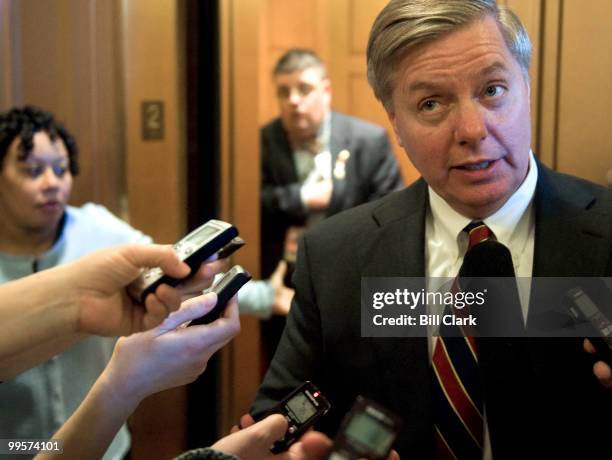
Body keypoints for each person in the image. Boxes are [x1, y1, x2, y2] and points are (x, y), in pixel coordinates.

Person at [251, 1, 612, 459]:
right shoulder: (335, 257)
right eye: (430, 103)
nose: (472, 129)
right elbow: (276, 423)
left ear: (527, 85)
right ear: (395, 123)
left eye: (493, 90)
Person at [0, 106, 210, 460]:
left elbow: (173, 271)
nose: (51, 182)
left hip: (108, 446)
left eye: (61, 169)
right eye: (33, 170)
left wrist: (264, 295)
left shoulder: (98, 228)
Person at [252, 48, 404, 356]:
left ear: (326, 91)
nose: (294, 100)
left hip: (353, 284)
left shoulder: (368, 140)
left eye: (304, 89)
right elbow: (248, 202)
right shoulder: (260, 141)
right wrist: (301, 198)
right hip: (284, 285)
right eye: (284, 92)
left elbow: (391, 213)